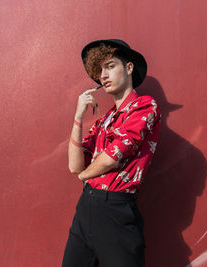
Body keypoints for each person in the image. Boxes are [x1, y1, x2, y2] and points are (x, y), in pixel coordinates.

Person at [62, 39, 161, 267]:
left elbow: (113, 157)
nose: (103, 75)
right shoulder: (103, 121)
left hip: (115, 209)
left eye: (110, 66)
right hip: (86, 208)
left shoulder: (145, 106)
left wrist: (85, 176)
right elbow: (75, 166)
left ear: (128, 68)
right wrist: (78, 116)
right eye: (100, 71)